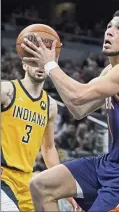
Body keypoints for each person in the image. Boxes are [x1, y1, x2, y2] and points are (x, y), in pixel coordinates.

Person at [21, 9, 119, 211]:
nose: (110, 31)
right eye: (109, 26)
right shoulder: (108, 71)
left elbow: (78, 94)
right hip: (110, 163)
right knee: (41, 186)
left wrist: (51, 65)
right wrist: (53, 69)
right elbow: (78, 109)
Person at [1, 63, 78, 211]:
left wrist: (64, 188)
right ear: (23, 64)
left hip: (26, 180)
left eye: (43, 62)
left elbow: (48, 149)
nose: (40, 66)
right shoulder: (6, 90)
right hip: (3, 175)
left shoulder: (50, 105)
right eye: (34, 62)